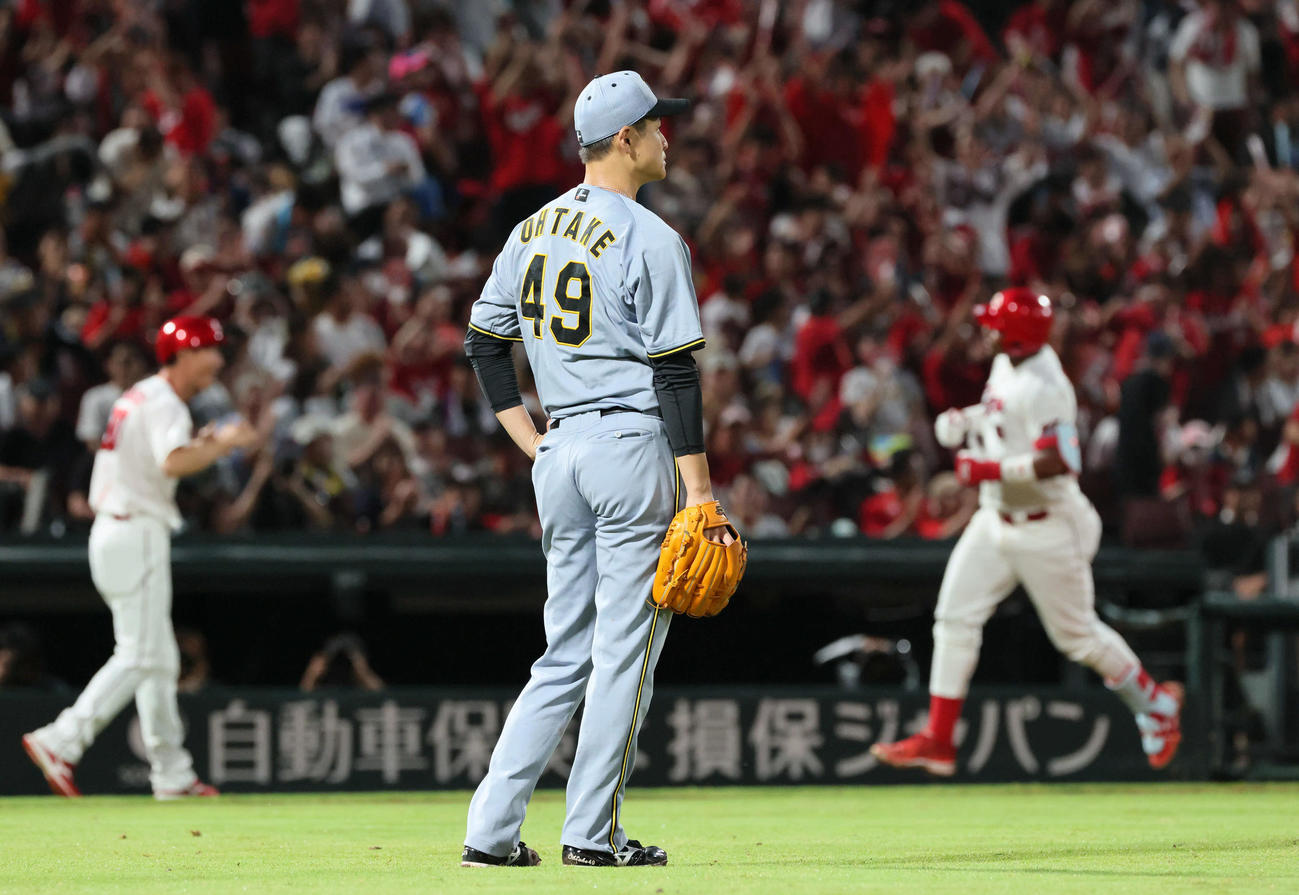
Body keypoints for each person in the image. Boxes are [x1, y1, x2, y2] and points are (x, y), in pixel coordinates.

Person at [460, 71, 730, 869]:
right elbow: (675, 372)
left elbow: (483, 343)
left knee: (562, 652)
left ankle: (490, 831)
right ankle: (591, 833)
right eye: (655, 125)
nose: (665, 137)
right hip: (629, 446)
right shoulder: (650, 236)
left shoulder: (530, 229)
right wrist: (701, 493)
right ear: (624, 139)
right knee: (624, 650)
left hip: (562, 451)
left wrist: (530, 441)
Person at [870, 289, 1184, 776]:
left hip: (1047, 524)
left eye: (996, 326)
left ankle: (1156, 705)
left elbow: (1061, 460)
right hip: (996, 518)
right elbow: (1002, 413)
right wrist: (966, 419)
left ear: (1017, 337)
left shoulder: (1046, 384)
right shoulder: (1007, 363)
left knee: (1078, 639)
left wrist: (989, 469)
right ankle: (939, 739)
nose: (986, 331)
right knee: (954, 619)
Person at [21, 315, 257, 799]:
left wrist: (205, 442)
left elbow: (161, 456)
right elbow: (173, 461)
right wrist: (224, 444)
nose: (217, 359)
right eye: (209, 349)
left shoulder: (143, 395)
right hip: (135, 533)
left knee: (160, 659)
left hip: (116, 531)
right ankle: (61, 739)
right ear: (183, 354)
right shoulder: (166, 401)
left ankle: (172, 773)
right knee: (140, 654)